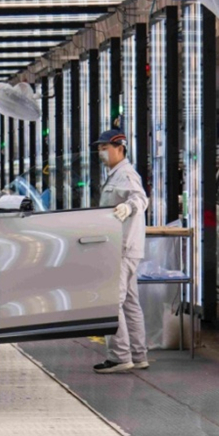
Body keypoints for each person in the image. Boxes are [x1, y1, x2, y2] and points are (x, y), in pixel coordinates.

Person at [90, 129, 149, 373]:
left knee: (112, 302)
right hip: (123, 247)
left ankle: (120, 356)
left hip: (122, 248)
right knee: (130, 303)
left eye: (105, 148)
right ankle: (138, 353)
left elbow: (141, 199)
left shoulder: (125, 174)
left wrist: (128, 206)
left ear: (119, 148)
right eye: (99, 149)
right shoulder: (115, 174)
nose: (101, 153)